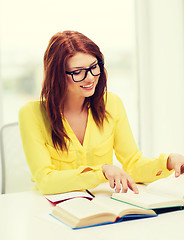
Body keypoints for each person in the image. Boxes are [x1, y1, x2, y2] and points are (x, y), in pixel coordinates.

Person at [19, 30, 184, 195]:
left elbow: (133, 165)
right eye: (78, 72)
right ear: (57, 75)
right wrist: (101, 172)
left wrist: (167, 162)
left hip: (100, 204)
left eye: (93, 67)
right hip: (50, 209)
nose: (90, 78)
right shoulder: (31, 114)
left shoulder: (111, 104)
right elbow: (46, 181)